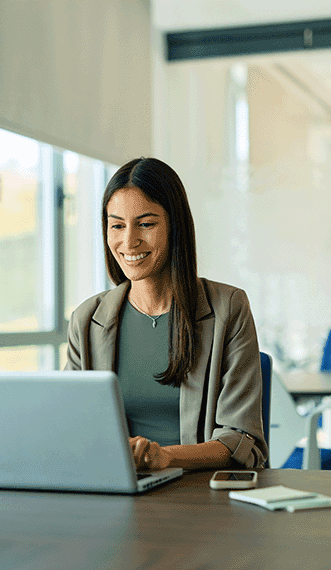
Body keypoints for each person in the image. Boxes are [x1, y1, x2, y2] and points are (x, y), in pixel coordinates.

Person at [65, 157, 267, 470]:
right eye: (117, 225)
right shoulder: (87, 320)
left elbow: (241, 438)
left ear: (175, 226)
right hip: (117, 487)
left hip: (201, 489)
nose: (129, 241)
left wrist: (166, 456)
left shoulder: (228, 308)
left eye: (146, 224)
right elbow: (72, 426)